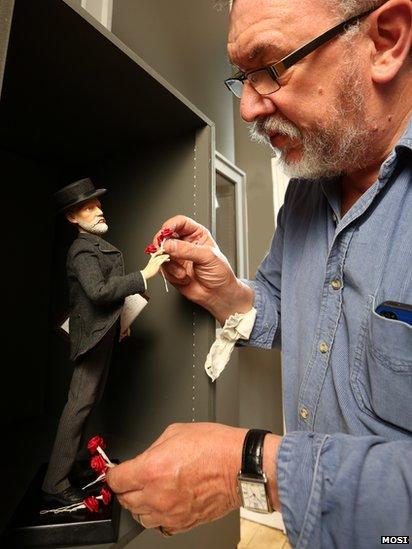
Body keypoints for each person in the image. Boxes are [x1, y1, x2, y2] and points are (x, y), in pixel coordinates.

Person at [106, 0, 412, 546]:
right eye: (242, 77)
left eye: (270, 66)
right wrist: (228, 292)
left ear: (386, 39)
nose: (247, 108)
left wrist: (248, 465)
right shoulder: (307, 183)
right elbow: (299, 317)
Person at [42, 178, 169, 505]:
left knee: (86, 403)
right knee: (78, 405)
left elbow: (103, 297)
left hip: (105, 333)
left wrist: (121, 323)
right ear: (73, 218)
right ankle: (55, 482)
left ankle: (68, 469)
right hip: (93, 338)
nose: (98, 210)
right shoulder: (82, 249)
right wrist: (144, 275)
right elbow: (99, 292)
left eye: (98, 204)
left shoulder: (94, 246)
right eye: (88, 206)